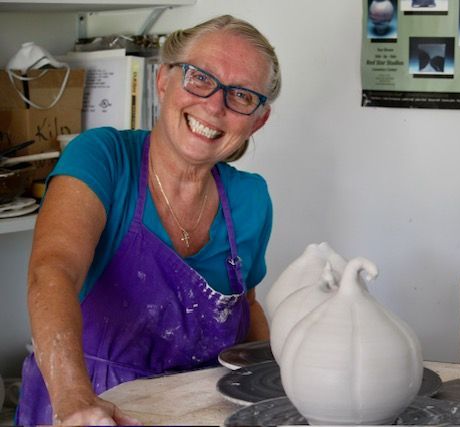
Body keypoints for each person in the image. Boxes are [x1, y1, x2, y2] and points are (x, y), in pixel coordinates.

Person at [17, 14, 281, 426]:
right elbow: (53, 271)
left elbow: (246, 310)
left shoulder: (251, 198)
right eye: (199, 78)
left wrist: (278, 387)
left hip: (200, 412)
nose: (214, 105)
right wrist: (73, 399)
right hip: (88, 404)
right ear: (163, 81)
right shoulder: (102, 158)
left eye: (242, 96)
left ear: (258, 120)